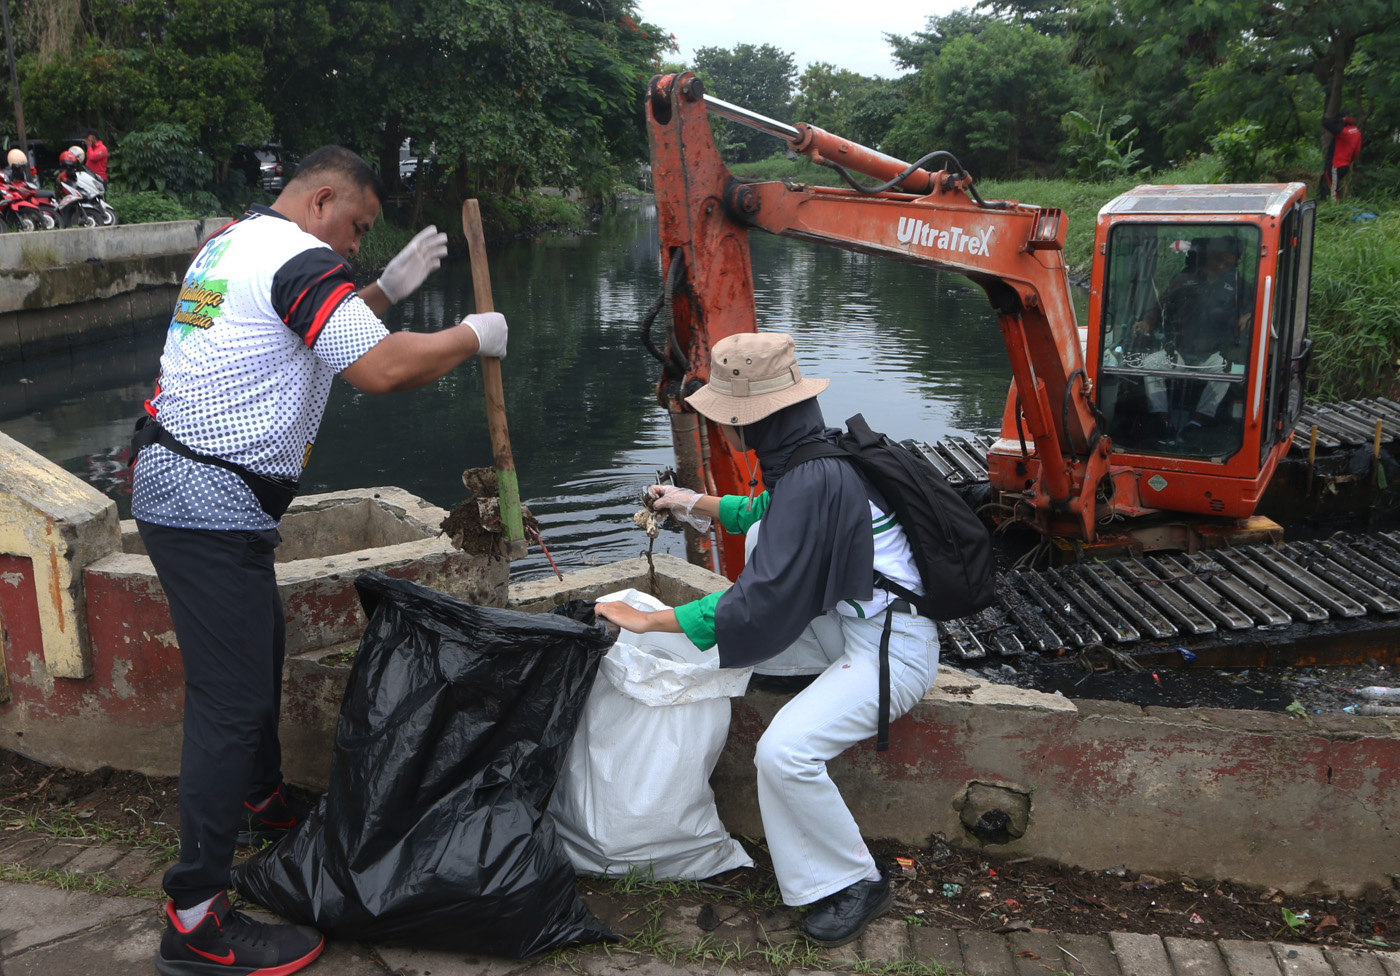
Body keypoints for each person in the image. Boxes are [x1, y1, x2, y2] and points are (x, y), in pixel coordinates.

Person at [131, 144, 508, 976]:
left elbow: (304, 331)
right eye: (357, 229)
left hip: (193, 486)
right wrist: (469, 335)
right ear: (323, 199)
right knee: (228, 702)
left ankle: (262, 804)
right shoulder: (297, 256)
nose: (357, 248)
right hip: (205, 498)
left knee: (257, 651)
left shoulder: (236, 243)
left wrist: (383, 294)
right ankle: (194, 918)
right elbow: (374, 368)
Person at [594, 332, 940, 948]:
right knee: (751, 563)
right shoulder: (816, 458)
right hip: (852, 626)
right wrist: (692, 503)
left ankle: (855, 882)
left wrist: (650, 620)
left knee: (784, 754)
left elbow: (758, 603)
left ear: (753, 421)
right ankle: (799, 672)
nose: (723, 429)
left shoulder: (813, 479)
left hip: (893, 651)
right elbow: (766, 516)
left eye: (727, 418)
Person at [1133, 236, 1253, 436]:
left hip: (1216, 354)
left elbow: (1260, 307)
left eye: (1228, 262)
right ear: (1208, 257)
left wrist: (1251, 314)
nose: (1222, 265)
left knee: (1227, 372)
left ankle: (1198, 422)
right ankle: (1162, 420)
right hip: (1179, 349)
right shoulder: (1184, 279)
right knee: (1151, 364)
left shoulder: (1240, 287)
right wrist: (1147, 322)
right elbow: (1159, 305)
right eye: (1219, 260)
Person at [1321, 116, 1361, 201]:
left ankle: (1335, 209)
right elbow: (1356, 151)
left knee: (1332, 191)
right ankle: (1337, 206)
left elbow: (1326, 123)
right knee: (1335, 187)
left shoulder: (1343, 132)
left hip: (1335, 165)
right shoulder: (1357, 132)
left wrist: (1340, 119)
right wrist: (1348, 161)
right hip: (1345, 166)